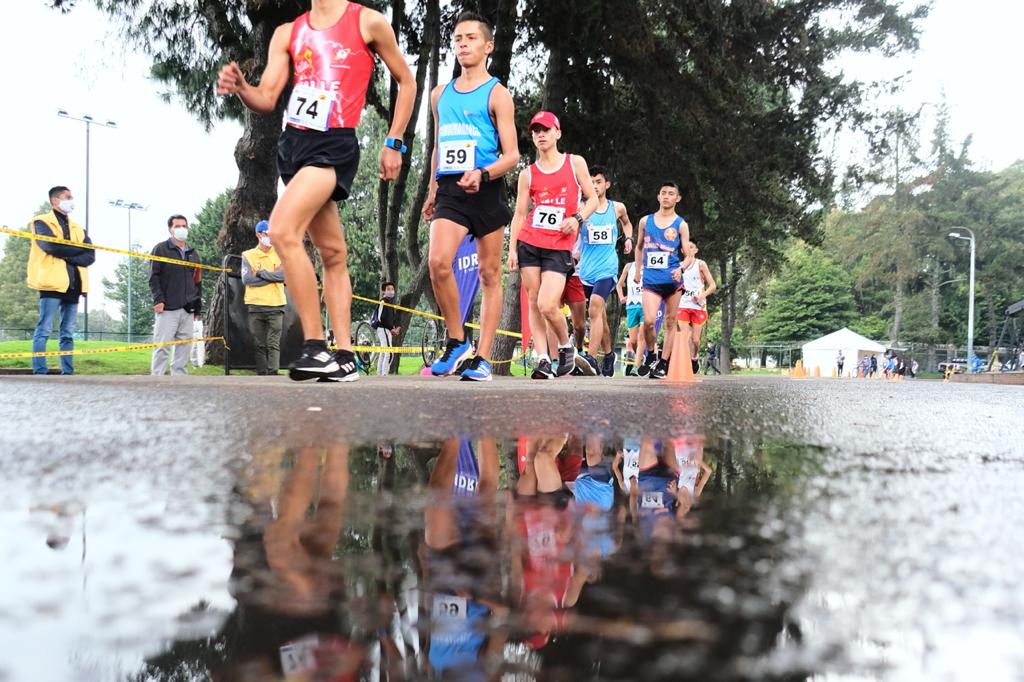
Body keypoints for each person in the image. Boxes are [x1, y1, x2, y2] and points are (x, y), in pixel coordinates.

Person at [217, 0, 415, 382]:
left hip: (333, 144)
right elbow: (267, 97)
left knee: (281, 231)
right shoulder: (287, 32)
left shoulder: (368, 22)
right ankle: (343, 355)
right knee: (333, 253)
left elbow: (407, 80)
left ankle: (315, 347)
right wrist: (243, 87)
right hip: (293, 147)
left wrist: (394, 141)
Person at [421, 12, 519, 382]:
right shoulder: (439, 95)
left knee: (490, 274)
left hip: (487, 188)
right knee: (438, 263)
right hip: (450, 189)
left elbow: (511, 154)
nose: (463, 44)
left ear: (487, 46)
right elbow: (437, 146)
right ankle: (457, 338)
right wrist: (432, 188)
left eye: (471, 38)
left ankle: (483, 359)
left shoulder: (497, 94)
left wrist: (483, 173)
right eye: (458, 38)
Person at [508, 111, 599, 380]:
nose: (541, 135)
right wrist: (512, 249)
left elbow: (592, 199)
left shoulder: (574, 163)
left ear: (557, 132)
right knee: (534, 303)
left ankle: (565, 346)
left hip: (559, 245)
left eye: (546, 129)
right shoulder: (528, 174)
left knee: (549, 304)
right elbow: (520, 214)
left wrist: (577, 218)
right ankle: (544, 359)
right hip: (529, 241)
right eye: (536, 131)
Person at [26, 186, 95, 375]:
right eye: (68, 197)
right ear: (55, 200)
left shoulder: (79, 229)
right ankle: (40, 371)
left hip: (74, 285)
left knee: (68, 333)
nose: (72, 200)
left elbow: (90, 256)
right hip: (51, 284)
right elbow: (50, 246)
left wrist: (66, 255)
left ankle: (68, 371)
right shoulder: (40, 222)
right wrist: (75, 251)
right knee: (44, 329)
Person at [578, 165, 634, 377]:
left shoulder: (616, 208)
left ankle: (590, 358)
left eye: (598, 181)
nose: (594, 185)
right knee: (598, 315)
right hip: (586, 270)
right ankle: (609, 354)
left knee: (594, 308)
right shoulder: (581, 208)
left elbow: (627, 224)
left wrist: (628, 238)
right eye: (590, 182)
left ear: (607, 184)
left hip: (607, 268)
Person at [634, 182, 690, 379]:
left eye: (671, 194)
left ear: (678, 198)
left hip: (673, 281)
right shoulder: (645, 222)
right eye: (663, 193)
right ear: (658, 197)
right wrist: (637, 270)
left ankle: (663, 364)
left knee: (670, 322)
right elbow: (639, 247)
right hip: (651, 279)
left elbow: (688, 255)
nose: (666, 196)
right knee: (648, 321)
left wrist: (681, 268)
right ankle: (651, 354)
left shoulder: (681, 224)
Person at [149, 215, 202, 376]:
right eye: (177, 226)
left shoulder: (193, 254)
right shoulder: (160, 249)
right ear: (170, 229)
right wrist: (158, 300)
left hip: (188, 308)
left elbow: (198, 282)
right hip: (167, 307)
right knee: (162, 346)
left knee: (184, 346)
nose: (182, 229)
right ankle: (156, 378)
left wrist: (197, 309)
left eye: (184, 226)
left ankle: (180, 379)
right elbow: (153, 277)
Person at [240, 220, 286, 375]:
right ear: (258, 234)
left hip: (276, 305)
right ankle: (262, 374)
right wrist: (272, 276)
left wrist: (260, 273)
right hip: (255, 305)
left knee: (273, 343)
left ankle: (273, 373)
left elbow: (284, 276)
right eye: (267, 234)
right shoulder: (248, 255)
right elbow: (247, 280)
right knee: (259, 343)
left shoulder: (281, 252)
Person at [676, 240, 716, 375]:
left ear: (696, 250)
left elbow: (713, 285)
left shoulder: (700, 264)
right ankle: (686, 363)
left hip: (698, 306)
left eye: (691, 247)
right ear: (682, 251)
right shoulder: (678, 266)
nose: (689, 250)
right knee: (685, 336)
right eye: (686, 248)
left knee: (695, 339)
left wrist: (701, 296)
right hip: (683, 305)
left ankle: (694, 357)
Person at [616, 261, 645, 376]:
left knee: (641, 336)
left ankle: (635, 366)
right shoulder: (629, 266)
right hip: (631, 306)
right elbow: (619, 285)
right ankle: (640, 356)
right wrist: (621, 297)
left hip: (645, 305)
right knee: (632, 341)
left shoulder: (649, 265)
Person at [370, 281, 401, 376]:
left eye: (392, 289)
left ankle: (379, 374)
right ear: (383, 292)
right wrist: (391, 328)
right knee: (389, 353)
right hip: (383, 328)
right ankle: (384, 374)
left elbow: (391, 319)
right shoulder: (383, 301)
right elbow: (380, 318)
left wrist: (394, 328)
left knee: (384, 352)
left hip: (387, 330)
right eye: (388, 289)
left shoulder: (390, 303)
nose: (391, 291)